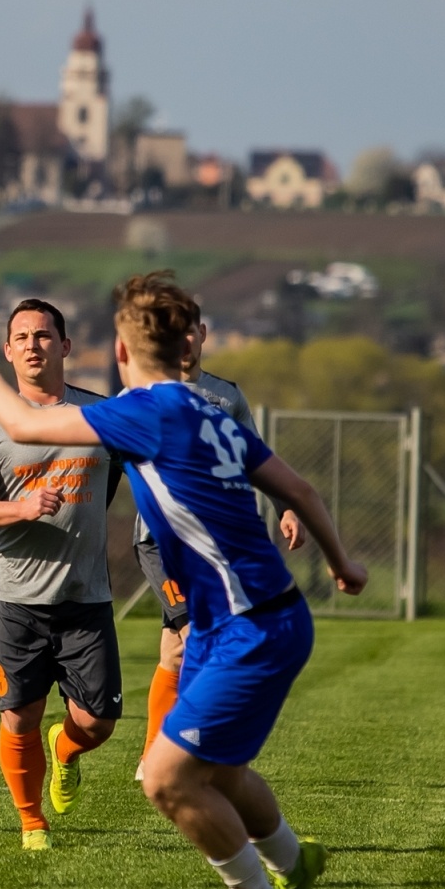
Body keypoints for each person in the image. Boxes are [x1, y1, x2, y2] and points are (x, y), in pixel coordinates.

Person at [0, 270, 367, 889]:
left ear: (120, 352)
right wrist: (342, 563)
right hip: (255, 614)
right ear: (188, 348)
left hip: (249, 624)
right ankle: (294, 860)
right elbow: (301, 490)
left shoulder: (145, 413)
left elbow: (23, 420)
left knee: (167, 780)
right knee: (220, 771)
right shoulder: (211, 413)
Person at [0, 299, 122, 851]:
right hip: (15, 596)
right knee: (20, 716)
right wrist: (18, 509)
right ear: (6, 351)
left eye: (43, 336)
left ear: (65, 346)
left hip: (85, 595)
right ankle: (31, 822)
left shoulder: (100, 416)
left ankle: (65, 750)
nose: (32, 345)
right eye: (21, 337)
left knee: (97, 723)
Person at [132, 319, 306, 781]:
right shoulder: (146, 394)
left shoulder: (226, 397)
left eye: (189, 331)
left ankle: (155, 753)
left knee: (174, 653)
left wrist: (285, 508)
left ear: (203, 333)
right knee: (199, 640)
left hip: (210, 549)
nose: (183, 340)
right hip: (159, 544)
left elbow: (257, 460)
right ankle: (194, 751)